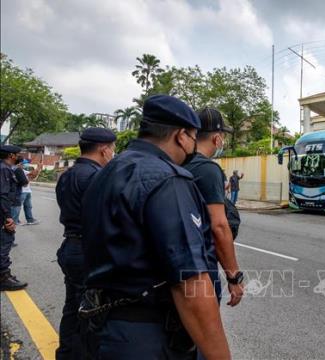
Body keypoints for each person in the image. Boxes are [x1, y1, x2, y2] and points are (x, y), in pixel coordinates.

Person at [80, 95, 230, 359]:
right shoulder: (168, 180)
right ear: (182, 136)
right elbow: (190, 282)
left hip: (104, 326)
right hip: (149, 333)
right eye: (193, 137)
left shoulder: (108, 172)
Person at [55, 127, 116, 360]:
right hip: (88, 250)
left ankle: (65, 353)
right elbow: (104, 218)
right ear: (103, 149)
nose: (113, 153)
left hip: (70, 246)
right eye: (112, 149)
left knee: (72, 307)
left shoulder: (68, 175)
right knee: (90, 313)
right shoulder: (96, 177)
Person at [184, 108, 244, 307]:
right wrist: (234, 277)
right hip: (201, 265)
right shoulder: (208, 170)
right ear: (217, 138)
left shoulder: (180, 162)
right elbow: (218, 226)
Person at [0, 145, 28, 291]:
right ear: (11, 155)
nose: (19, 156)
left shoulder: (4, 168)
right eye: (18, 154)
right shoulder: (4, 169)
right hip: (3, 213)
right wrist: (8, 218)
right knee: (5, 242)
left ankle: (5, 275)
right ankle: (3, 278)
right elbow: (2, 195)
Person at [19, 160, 40, 225]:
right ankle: (15, 220)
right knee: (17, 207)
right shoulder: (18, 171)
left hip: (27, 191)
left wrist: (38, 169)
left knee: (28, 206)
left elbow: (33, 175)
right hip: (22, 191)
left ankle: (30, 220)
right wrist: (38, 168)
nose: (25, 165)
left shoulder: (24, 171)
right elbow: (30, 176)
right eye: (23, 164)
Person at [11, 156, 29, 225]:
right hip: (15, 198)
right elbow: (25, 184)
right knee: (12, 223)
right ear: (20, 163)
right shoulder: (18, 169)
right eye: (23, 163)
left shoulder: (7, 167)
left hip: (6, 198)